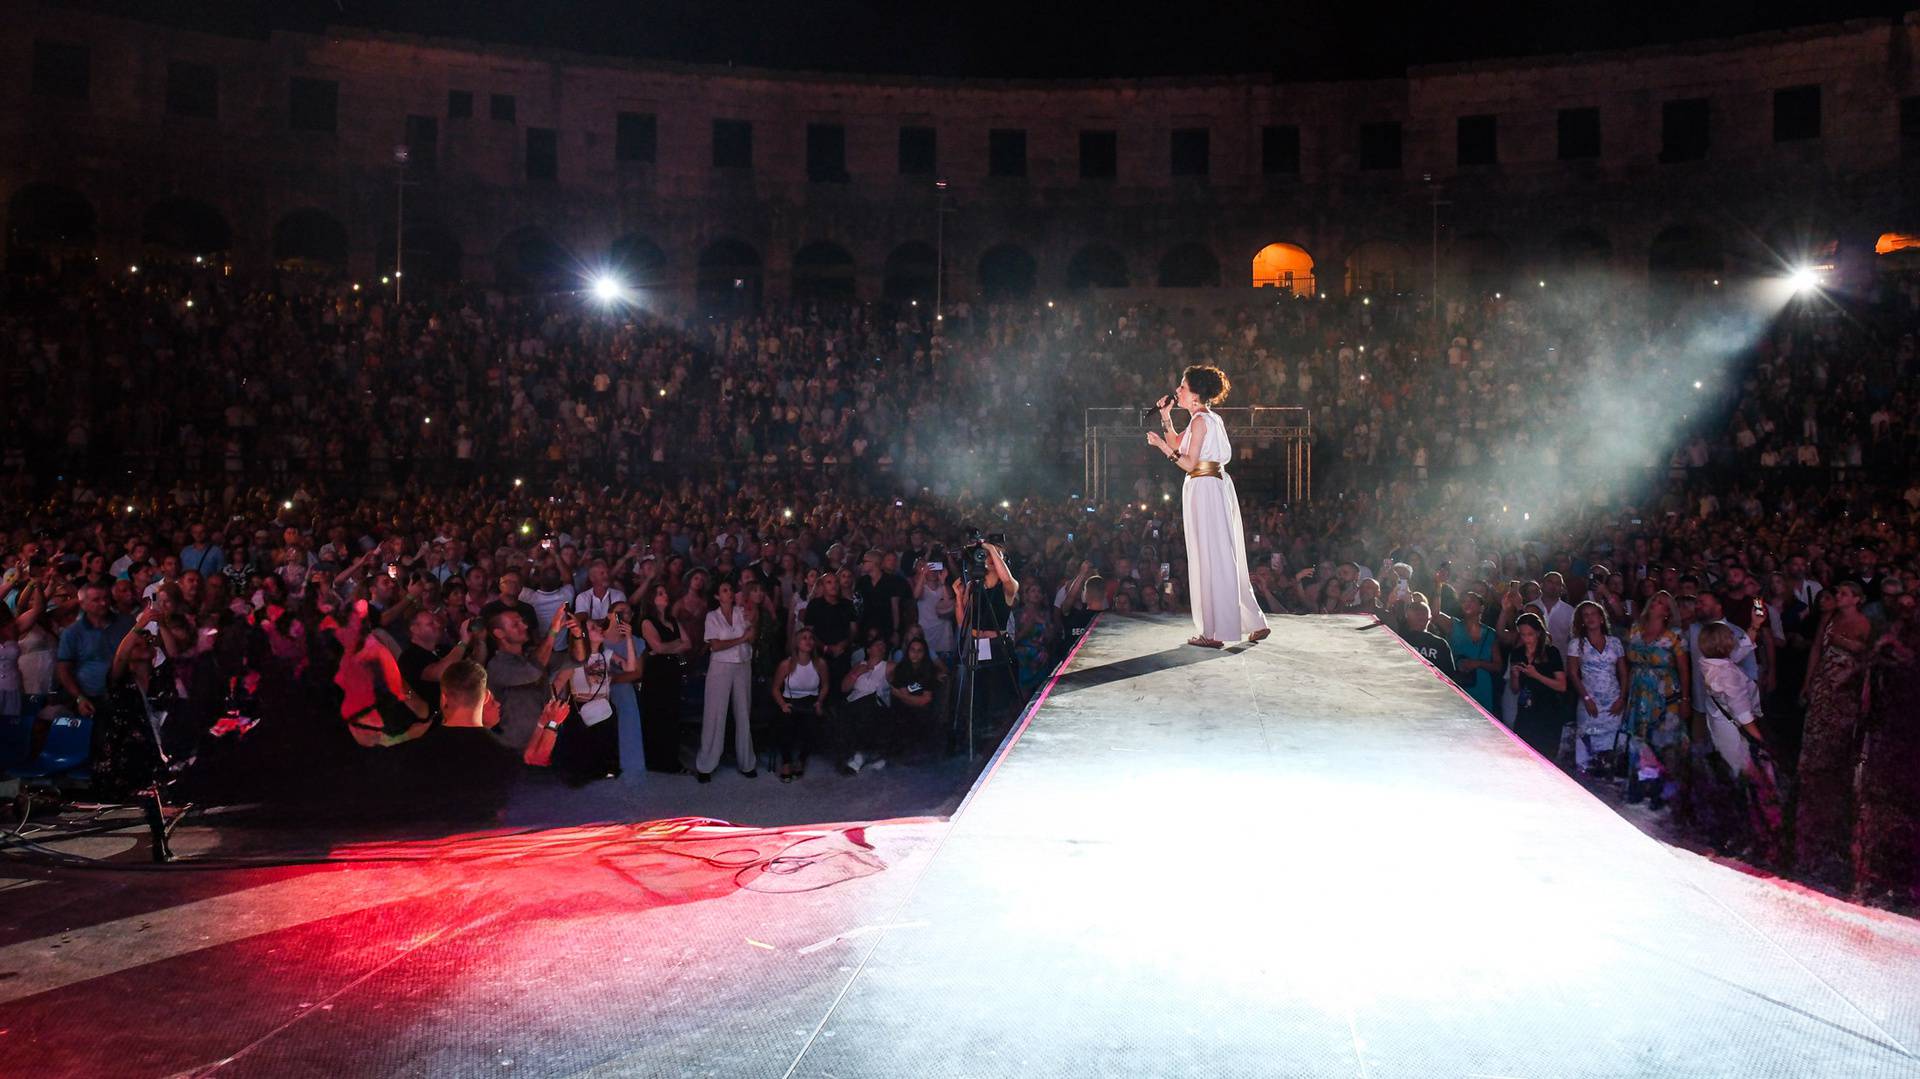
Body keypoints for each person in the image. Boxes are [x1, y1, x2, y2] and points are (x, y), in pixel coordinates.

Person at [1145, 364, 1268, 648]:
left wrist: (1161, 448)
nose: (1177, 391)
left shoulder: (1201, 422)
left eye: (1183, 387)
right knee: (1224, 556)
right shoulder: (1206, 420)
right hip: (1210, 486)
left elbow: (1186, 461)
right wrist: (1165, 418)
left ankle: (1213, 632)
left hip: (1205, 488)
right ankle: (1253, 622)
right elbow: (1180, 444)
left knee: (1211, 558)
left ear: (1196, 395)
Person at [1795, 579, 1872, 891]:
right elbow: (1816, 650)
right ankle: (1810, 778)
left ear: (1856, 598)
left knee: (1836, 741)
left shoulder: (1864, 624)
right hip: (1825, 683)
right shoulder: (1829, 619)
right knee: (1814, 733)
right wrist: (1808, 682)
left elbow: (1867, 660)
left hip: (1845, 689)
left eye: (1843, 593)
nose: (1837, 597)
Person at [1696, 622, 1784, 865]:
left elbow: (1735, 655)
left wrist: (1753, 627)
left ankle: (1737, 833)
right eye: (1729, 637)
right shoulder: (1728, 674)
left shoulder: (1709, 663)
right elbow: (1743, 715)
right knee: (1749, 784)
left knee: (1733, 782)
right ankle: (1754, 838)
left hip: (1721, 730)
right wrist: (1762, 742)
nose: (1734, 639)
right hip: (1738, 736)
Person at [1625, 591, 1692, 813]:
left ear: (1667, 612)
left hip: (1665, 693)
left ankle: (1661, 791)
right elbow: (1628, 661)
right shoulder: (1635, 629)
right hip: (1640, 692)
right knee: (1640, 740)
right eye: (1654, 600)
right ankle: (1639, 785)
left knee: (1664, 743)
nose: (1656, 603)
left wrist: (1685, 698)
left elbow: (1683, 669)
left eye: (1662, 603)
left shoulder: (1675, 636)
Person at [695, 579, 756, 781]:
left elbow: (753, 635)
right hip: (720, 666)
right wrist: (740, 639)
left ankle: (747, 763)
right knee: (715, 713)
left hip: (743, 664)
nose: (729, 592)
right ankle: (705, 765)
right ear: (717, 596)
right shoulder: (712, 617)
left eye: (730, 589)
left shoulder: (741, 612)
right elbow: (716, 646)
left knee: (743, 712)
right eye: (724, 590)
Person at [1566, 600, 1628, 775]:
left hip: (1613, 699)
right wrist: (1586, 698)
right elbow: (1573, 674)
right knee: (1588, 743)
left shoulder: (1615, 642)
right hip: (1589, 700)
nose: (1590, 618)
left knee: (1611, 745)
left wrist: (1622, 698)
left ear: (1601, 618)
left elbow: (1623, 672)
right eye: (1586, 615)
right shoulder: (1576, 643)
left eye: (1594, 614)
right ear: (1582, 620)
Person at [637, 583, 691, 773]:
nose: (665, 595)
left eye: (665, 592)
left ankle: (671, 758)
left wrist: (669, 646)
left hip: (672, 669)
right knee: (657, 714)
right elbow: (657, 647)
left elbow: (688, 643)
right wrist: (675, 644)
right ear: (652, 599)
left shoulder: (673, 620)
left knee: (672, 713)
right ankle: (657, 760)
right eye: (660, 593)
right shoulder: (647, 622)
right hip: (657, 672)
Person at [1508, 611, 1569, 761]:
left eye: (1530, 634)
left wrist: (1536, 675)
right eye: (1522, 635)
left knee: (1545, 757)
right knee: (1522, 755)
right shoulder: (1517, 653)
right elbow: (1515, 689)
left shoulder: (1551, 652)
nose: (1526, 639)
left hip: (1548, 711)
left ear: (1538, 633)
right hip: (1526, 712)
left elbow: (1562, 686)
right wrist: (1515, 676)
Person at [772, 627, 827, 781]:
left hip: (810, 701)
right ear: (796, 643)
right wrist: (783, 704)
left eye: (811, 638)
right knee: (785, 723)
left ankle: (802, 760)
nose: (808, 641)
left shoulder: (820, 664)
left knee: (812, 725)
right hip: (790, 701)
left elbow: (826, 685)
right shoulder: (786, 664)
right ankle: (786, 762)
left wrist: (819, 702)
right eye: (804, 638)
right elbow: (775, 688)